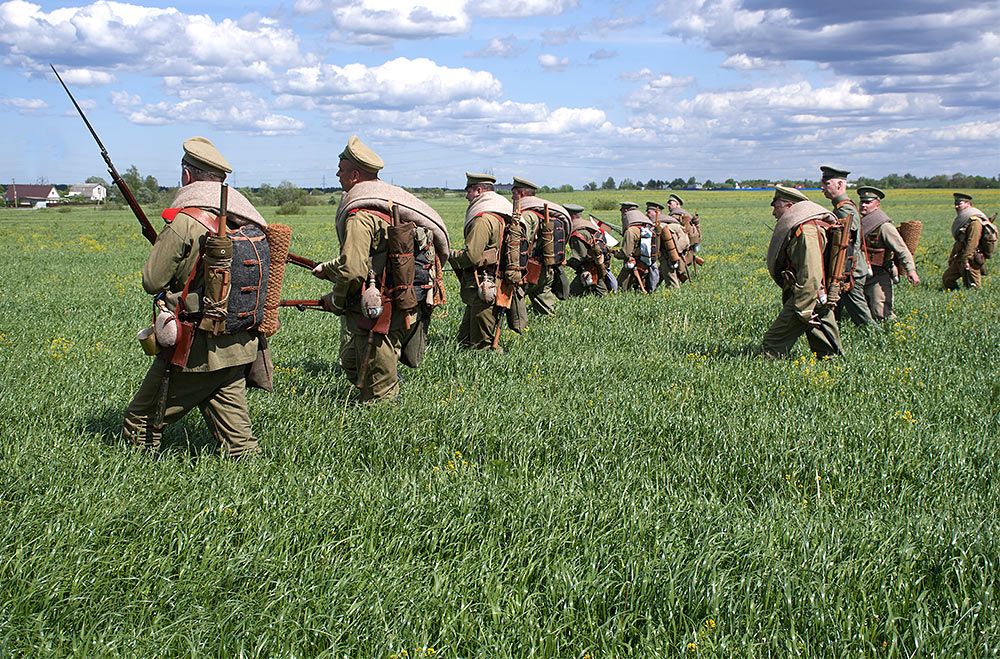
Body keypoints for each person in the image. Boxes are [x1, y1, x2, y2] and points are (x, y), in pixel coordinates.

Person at [122, 136, 269, 458]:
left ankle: (137, 472)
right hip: (240, 344)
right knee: (239, 444)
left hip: (196, 349)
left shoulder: (187, 220)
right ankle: (253, 475)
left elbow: (152, 281)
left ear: (187, 175)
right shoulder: (246, 219)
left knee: (140, 421)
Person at [312, 136, 446, 403]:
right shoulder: (389, 205)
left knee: (378, 392)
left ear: (355, 175)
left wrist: (337, 300)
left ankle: (385, 415)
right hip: (403, 302)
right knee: (353, 361)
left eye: (341, 169)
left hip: (380, 311)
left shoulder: (361, 216)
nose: (337, 174)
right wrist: (328, 268)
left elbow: (353, 269)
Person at [762, 185, 843, 358]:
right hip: (816, 294)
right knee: (827, 347)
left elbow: (811, 272)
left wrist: (804, 309)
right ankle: (835, 366)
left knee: (773, 343)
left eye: (776, 207)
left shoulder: (806, 231)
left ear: (790, 206)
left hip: (808, 295)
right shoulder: (809, 226)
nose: (774, 213)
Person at [450, 173, 513, 350]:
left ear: (478, 190)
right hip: (494, 282)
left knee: (481, 346)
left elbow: (472, 256)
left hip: (484, 284)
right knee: (464, 342)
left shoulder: (483, 220)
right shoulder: (501, 213)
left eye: (468, 191)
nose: (466, 196)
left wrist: (450, 254)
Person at [820, 166, 874, 326]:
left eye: (826, 183)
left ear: (839, 185)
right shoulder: (842, 207)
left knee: (861, 315)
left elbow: (849, 244)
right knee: (833, 310)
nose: (822, 188)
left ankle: (877, 335)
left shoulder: (845, 209)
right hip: (847, 269)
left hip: (850, 271)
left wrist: (842, 274)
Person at [510, 177, 571, 315]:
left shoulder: (527, 215)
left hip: (529, 269)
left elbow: (520, 242)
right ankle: (549, 324)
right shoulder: (545, 213)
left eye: (513, 193)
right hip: (547, 268)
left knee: (512, 301)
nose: (512, 197)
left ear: (521, 194)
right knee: (546, 311)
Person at [857, 186, 919, 320]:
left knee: (881, 314)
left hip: (878, 273)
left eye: (868, 202)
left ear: (877, 205)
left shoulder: (884, 226)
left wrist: (911, 270)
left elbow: (901, 249)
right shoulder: (859, 222)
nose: (864, 205)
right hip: (859, 273)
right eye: (862, 202)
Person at [943, 192, 992, 289]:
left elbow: (972, 243)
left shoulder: (975, 222)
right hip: (960, 257)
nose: (956, 207)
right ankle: (956, 295)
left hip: (971, 258)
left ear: (968, 204)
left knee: (973, 287)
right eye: (955, 204)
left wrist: (966, 259)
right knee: (947, 278)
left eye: (959, 204)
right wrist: (952, 256)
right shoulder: (965, 221)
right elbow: (959, 241)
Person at [565, 203, 613, 296]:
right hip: (599, 266)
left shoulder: (577, 234)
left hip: (589, 270)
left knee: (569, 296)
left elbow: (580, 258)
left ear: (572, 216)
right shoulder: (590, 227)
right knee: (602, 294)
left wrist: (566, 262)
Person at [615, 203, 659, 293]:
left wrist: (618, 255)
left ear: (625, 211)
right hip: (645, 265)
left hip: (632, 265)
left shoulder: (630, 231)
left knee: (620, 289)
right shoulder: (646, 229)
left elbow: (626, 253)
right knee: (641, 290)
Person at [647, 200, 689, 289]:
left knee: (671, 282)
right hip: (676, 254)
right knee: (662, 274)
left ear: (656, 212)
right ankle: (651, 289)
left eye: (649, 212)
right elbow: (686, 240)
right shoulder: (673, 222)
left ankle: (674, 295)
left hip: (667, 256)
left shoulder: (658, 226)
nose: (647, 214)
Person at [668, 193, 701, 257]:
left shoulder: (678, 216)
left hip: (683, 248)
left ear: (677, 204)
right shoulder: (684, 214)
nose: (668, 205)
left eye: (670, 203)